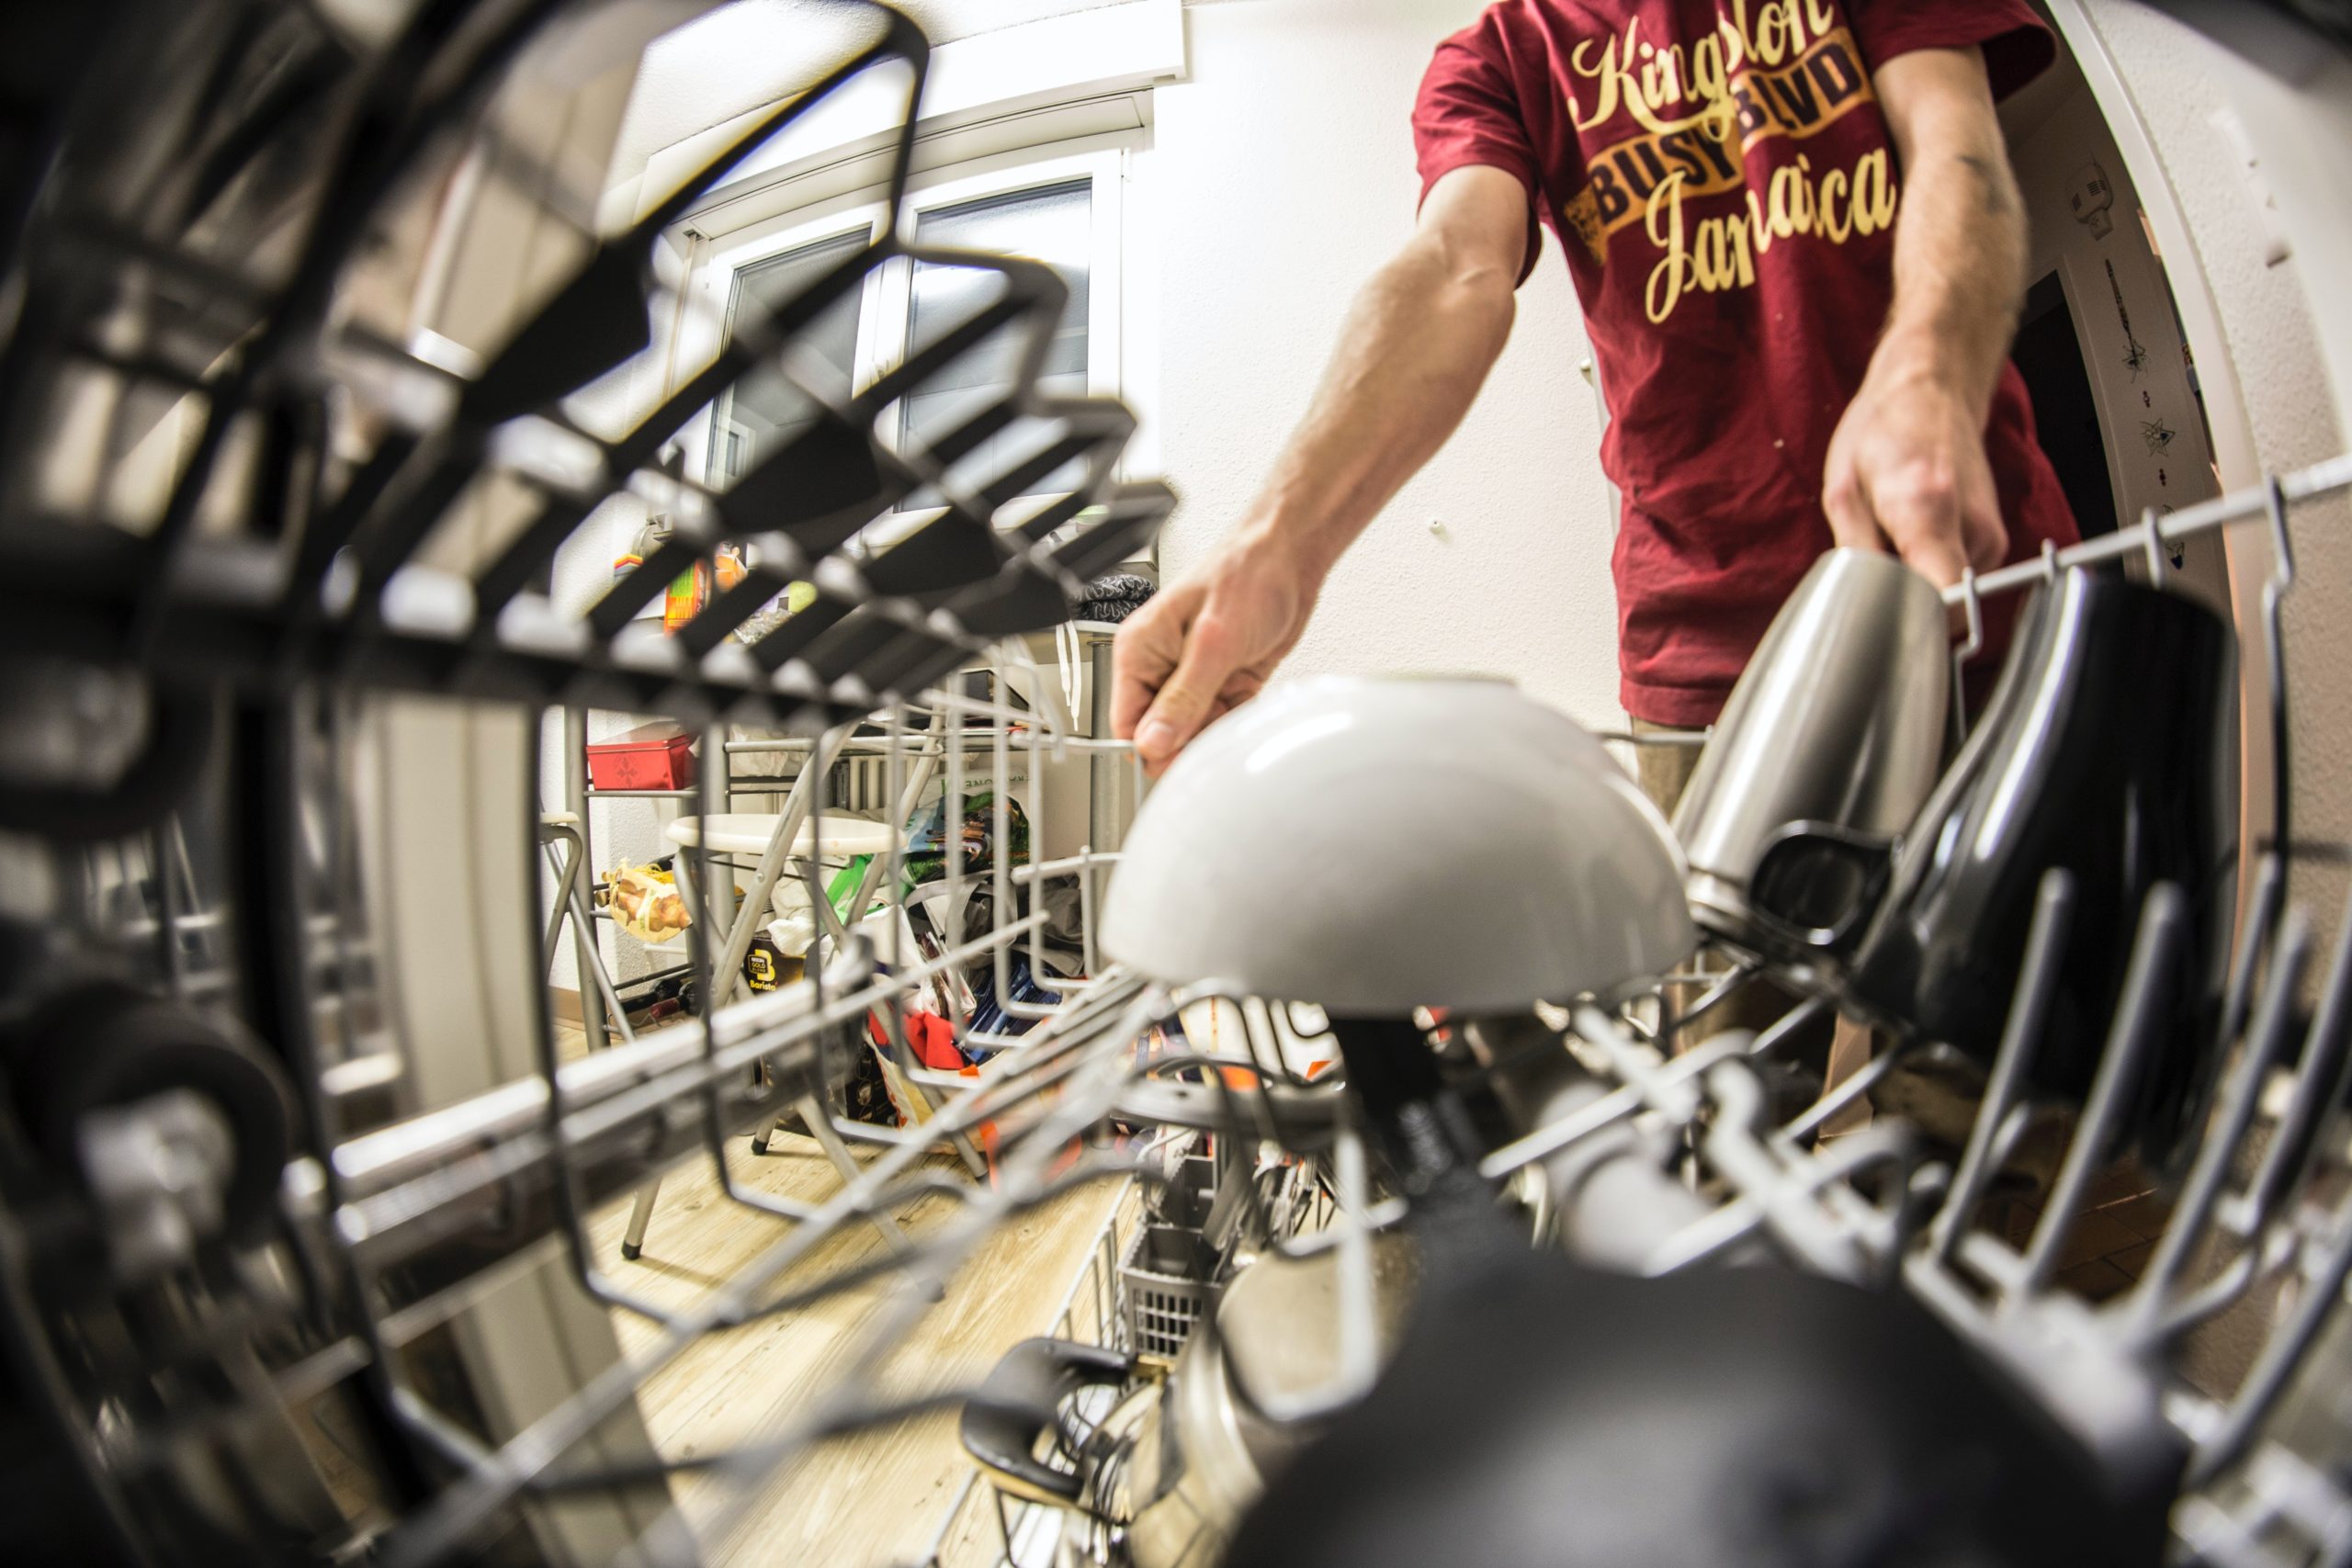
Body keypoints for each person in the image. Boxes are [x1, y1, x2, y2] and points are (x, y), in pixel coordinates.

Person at [1110, 1, 2080, 795]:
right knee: (1726, 1027)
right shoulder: (1497, 58)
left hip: (1965, 564)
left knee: (2013, 1005)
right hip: (1699, 638)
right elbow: (1454, 269)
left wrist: (1924, 372)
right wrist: (1277, 545)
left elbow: (1957, 147)